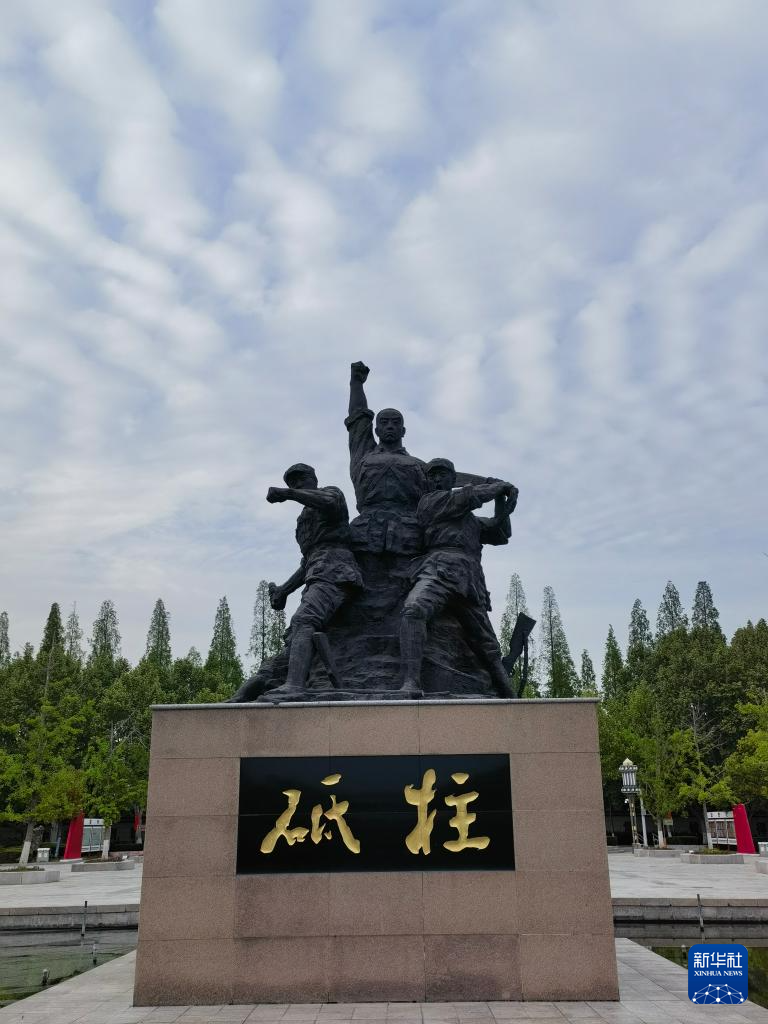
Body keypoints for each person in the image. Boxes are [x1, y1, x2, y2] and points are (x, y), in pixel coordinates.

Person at [398, 458, 518, 697]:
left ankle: (507, 693)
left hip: (469, 580)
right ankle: (411, 681)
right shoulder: (430, 502)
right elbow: (466, 498)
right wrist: (497, 487)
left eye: (442, 474)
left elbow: (500, 532)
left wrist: (501, 501)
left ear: (453, 479)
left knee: (487, 644)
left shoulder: (470, 521)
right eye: (432, 476)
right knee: (414, 610)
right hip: (438, 571)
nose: (437, 479)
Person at [265, 463, 363, 695]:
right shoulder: (303, 521)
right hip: (316, 575)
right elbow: (308, 561)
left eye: (302, 479)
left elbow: (328, 502)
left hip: (336, 572)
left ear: (314, 478)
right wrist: (284, 590)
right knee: (297, 632)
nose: (298, 484)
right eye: (292, 482)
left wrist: (288, 494)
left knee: (304, 619)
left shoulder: (331, 494)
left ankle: (295, 686)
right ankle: (296, 681)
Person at [345, 361, 427, 556]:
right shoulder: (364, 455)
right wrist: (356, 383)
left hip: (410, 532)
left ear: (403, 430)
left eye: (395, 422)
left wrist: (488, 484)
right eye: (384, 422)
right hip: (366, 530)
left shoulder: (419, 465)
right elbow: (358, 417)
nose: (390, 426)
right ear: (376, 430)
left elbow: (449, 482)